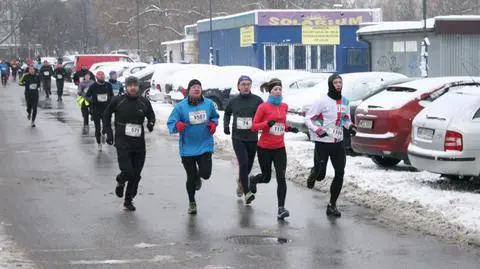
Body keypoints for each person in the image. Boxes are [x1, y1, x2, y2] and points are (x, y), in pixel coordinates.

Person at [305, 74, 357, 218]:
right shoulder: (322, 101)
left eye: (340, 82)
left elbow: (345, 119)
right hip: (322, 142)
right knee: (321, 175)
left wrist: (350, 126)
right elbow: (309, 118)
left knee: (340, 173)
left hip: (338, 142)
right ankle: (314, 172)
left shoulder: (345, 101)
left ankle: (332, 205)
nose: (338, 85)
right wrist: (317, 130)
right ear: (330, 84)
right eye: (335, 82)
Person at [167, 79, 219, 215]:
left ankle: (199, 176)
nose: (196, 89)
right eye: (193, 87)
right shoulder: (180, 107)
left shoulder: (208, 104)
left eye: (198, 87)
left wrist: (213, 124)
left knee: (205, 174)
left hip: (205, 145)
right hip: (187, 148)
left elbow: (215, 117)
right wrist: (177, 126)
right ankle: (192, 202)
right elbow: (171, 123)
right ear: (188, 90)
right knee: (191, 177)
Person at [103, 76, 156, 211]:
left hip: (139, 144)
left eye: (135, 85)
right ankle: (120, 181)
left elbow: (151, 115)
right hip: (123, 143)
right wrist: (108, 132)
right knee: (127, 171)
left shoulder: (143, 102)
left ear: (138, 87)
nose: (133, 87)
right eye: (130, 85)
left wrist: (150, 123)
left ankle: (128, 200)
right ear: (126, 87)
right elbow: (106, 114)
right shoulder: (118, 101)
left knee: (136, 174)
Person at [249, 78, 298, 220]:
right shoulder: (263, 107)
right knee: (266, 177)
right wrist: (266, 123)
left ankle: (281, 209)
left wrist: (289, 128)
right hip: (264, 148)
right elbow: (254, 126)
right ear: (270, 91)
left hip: (279, 148)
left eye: (279, 89)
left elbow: (281, 124)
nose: (277, 91)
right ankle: (253, 180)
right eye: (275, 89)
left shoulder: (284, 106)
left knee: (281, 177)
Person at [223, 75, 263, 204]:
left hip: (252, 137)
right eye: (243, 84)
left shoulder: (257, 100)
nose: (246, 87)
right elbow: (227, 113)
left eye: (248, 84)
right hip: (238, 137)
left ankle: (241, 181)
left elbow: (264, 114)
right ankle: (247, 193)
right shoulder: (234, 101)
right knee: (244, 163)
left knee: (248, 166)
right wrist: (226, 126)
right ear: (238, 86)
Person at [85, 71, 114, 151]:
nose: (101, 77)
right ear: (96, 77)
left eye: (102, 75)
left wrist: (111, 101)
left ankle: (103, 133)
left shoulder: (108, 85)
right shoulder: (93, 86)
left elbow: (111, 95)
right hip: (96, 110)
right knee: (97, 128)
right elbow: (87, 96)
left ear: (104, 76)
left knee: (105, 127)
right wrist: (91, 101)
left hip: (106, 109)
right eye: (99, 76)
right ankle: (99, 143)